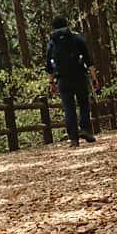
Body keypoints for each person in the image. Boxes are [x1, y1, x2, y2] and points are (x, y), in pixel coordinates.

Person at [45, 16, 99, 147]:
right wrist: (94, 78)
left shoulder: (51, 43)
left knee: (68, 108)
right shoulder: (77, 38)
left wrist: (51, 83)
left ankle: (73, 138)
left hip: (62, 79)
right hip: (79, 76)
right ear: (66, 24)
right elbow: (88, 60)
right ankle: (85, 129)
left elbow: (49, 66)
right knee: (83, 103)